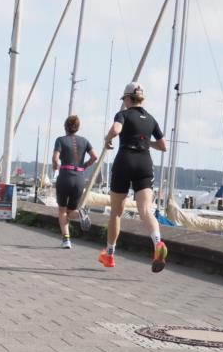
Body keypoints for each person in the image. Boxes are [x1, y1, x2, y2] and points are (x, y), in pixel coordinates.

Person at [98, 82, 168, 272]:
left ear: (127, 98)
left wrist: (107, 139)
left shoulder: (123, 114)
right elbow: (163, 146)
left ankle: (110, 255)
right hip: (144, 163)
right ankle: (158, 244)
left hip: (125, 162)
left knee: (116, 212)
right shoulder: (151, 119)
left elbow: (116, 129)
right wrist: (145, 141)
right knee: (145, 210)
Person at [51, 115, 98, 248]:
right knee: (71, 211)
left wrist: (55, 166)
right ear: (77, 128)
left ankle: (66, 240)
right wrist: (85, 165)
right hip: (79, 177)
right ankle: (81, 213)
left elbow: (55, 158)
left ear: (65, 127)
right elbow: (94, 156)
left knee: (62, 210)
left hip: (65, 176)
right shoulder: (85, 141)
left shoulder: (60, 140)